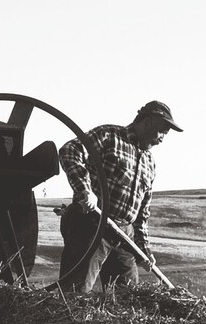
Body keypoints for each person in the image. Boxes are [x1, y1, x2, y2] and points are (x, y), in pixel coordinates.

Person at [58, 100, 183, 292]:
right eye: (162, 129)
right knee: (75, 293)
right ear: (148, 121)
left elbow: (142, 213)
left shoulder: (149, 162)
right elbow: (70, 150)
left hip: (124, 234)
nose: (164, 137)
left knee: (129, 296)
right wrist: (84, 190)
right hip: (92, 223)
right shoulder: (109, 136)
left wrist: (143, 249)